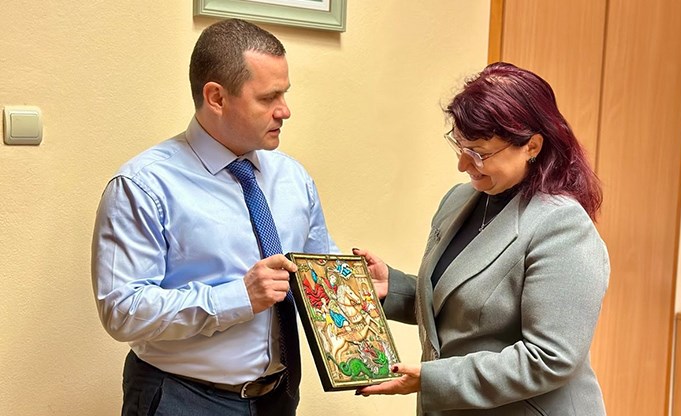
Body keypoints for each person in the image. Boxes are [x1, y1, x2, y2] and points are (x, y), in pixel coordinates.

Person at [91, 18, 338, 416]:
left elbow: (317, 273)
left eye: (285, 93)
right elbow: (123, 310)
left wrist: (361, 289)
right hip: (182, 399)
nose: (285, 111)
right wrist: (238, 298)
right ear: (216, 97)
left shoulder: (294, 178)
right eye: (268, 98)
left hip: (278, 397)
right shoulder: (143, 186)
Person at [354, 62, 610, 415]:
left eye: (479, 152)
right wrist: (393, 289)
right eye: (459, 146)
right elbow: (467, 306)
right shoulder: (460, 199)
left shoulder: (561, 225)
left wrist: (433, 379)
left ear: (532, 146)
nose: (463, 164)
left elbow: (550, 358)